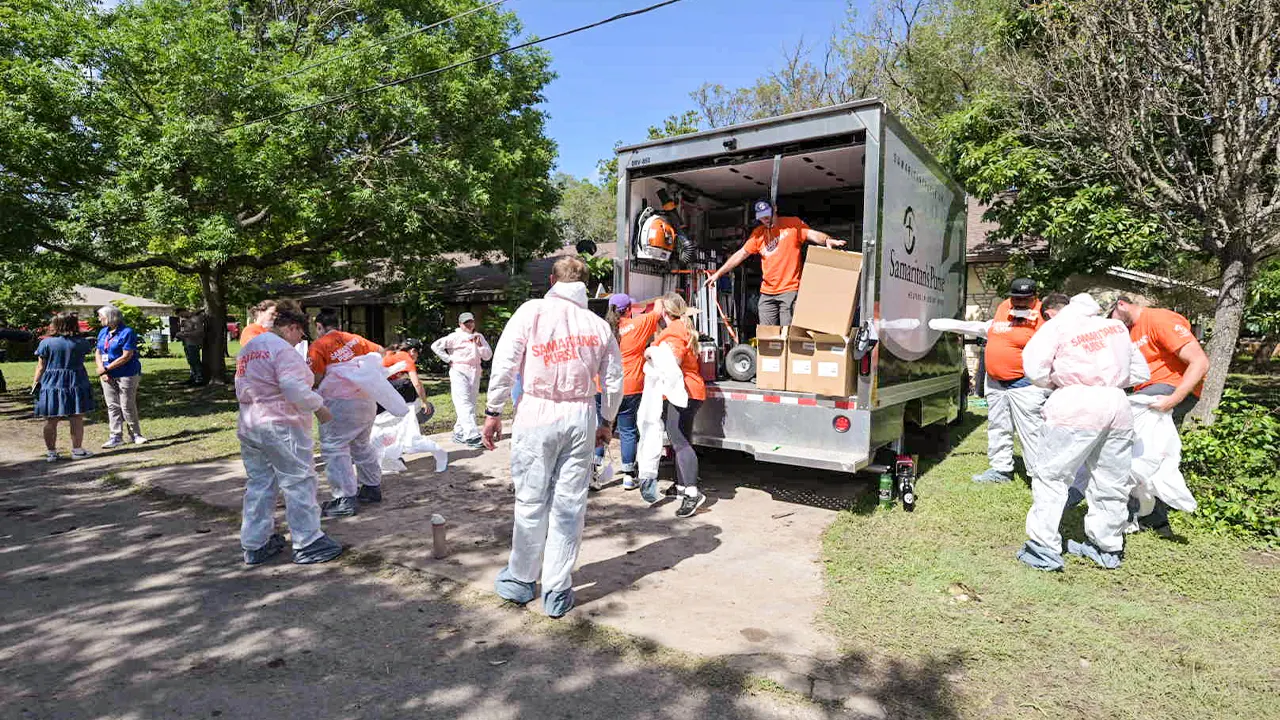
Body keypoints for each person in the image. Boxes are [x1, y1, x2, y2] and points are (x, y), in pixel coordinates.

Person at [481, 256, 623, 618]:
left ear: (551, 280)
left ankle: (522, 578)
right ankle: (557, 589)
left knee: (531, 499)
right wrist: (606, 420)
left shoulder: (532, 312)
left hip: (538, 411)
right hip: (580, 414)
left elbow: (505, 361)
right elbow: (613, 380)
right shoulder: (598, 325)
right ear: (586, 285)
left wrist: (494, 410)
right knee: (569, 505)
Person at [1018, 293, 1150, 571]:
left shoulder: (1057, 326)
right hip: (1117, 404)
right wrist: (1111, 380)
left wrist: (1057, 381)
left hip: (1074, 404)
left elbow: (1033, 367)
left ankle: (1043, 548)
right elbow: (1141, 372)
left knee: (1052, 476)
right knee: (1110, 479)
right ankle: (1106, 546)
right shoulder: (1115, 328)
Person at [235, 306, 344, 565]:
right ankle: (308, 541)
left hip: (251, 422)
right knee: (298, 481)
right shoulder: (282, 348)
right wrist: (318, 406)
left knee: (260, 484)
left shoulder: (249, 349)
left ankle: (255, 543)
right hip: (282, 424)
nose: (301, 341)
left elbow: (241, 385)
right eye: (300, 334)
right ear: (291, 327)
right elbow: (292, 385)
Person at [1110, 296, 1210, 534]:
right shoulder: (1130, 331)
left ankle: (1129, 511)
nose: (1112, 325)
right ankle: (1156, 519)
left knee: (1124, 444)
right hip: (1152, 393)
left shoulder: (1159, 320)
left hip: (1170, 391)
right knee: (1152, 452)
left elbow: (1200, 362)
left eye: (1110, 317)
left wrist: (1173, 400)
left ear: (1121, 305)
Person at [703, 199, 845, 328]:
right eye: (761, 217)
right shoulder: (758, 234)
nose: (765, 220)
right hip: (767, 293)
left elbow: (811, 234)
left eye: (767, 215)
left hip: (789, 290)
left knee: (787, 334)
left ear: (775, 209)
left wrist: (827, 240)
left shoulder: (791, 224)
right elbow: (740, 254)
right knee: (767, 336)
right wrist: (718, 274)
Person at [972, 278, 1049, 484]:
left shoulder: (1043, 314)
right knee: (998, 426)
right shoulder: (1004, 307)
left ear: (1034, 297)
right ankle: (1001, 469)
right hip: (996, 382)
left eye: (1025, 299)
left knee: (1031, 431)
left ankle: (1038, 476)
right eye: (1016, 298)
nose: (1019, 303)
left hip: (1024, 383)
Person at [639, 293, 709, 518]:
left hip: (681, 393)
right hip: (692, 390)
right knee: (683, 439)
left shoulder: (673, 332)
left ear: (665, 313)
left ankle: (691, 492)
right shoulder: (683, 327)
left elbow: (672, 362)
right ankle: (681, 486)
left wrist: (650, 353)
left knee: (678, 441)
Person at [309, 308, 384, 515]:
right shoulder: (355, 339)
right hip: (366, 400)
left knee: (335, 448)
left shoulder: (319, 345)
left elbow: (315, 378)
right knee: (361, 444)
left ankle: (344, 499)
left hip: (339, 403)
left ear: (319, 326)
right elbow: (381, 352)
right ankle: (371, 487)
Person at [598, 294, 661, 491]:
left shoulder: (601, 329)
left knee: (602, 427)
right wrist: (648, 301)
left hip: (603, 386)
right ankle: (628, 476)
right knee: (628, 431)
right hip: (629, 387)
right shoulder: (639, 324)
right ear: (628, 309)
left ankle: (593, 470)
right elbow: (659, 308)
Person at [32, 313, 96, 462]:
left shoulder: (46, 343)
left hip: (51, 383)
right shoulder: (82, 342)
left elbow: (41, 367)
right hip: (76, 380)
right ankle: (77, 450)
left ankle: (51, 453)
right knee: (76, 417)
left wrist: (35, 383)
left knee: (51, 419)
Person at [432, 312, 493, 449]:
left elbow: (488, 356)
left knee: (471, 403)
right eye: (466, 323)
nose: (469, 325)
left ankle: (459, 432)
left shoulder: (479, 337)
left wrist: (480, 346)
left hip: (475, 371)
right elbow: (435, 346)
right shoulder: (454, 337)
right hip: (459, 371)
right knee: (463, 403)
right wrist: (448, 359)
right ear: (460, 324)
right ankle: (472, 435)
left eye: (471, 322)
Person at [95, 304, 147, 447]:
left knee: (127, 405)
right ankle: (115, 437)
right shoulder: (103, 332)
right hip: (107, 375)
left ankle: (136, 435)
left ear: (111, 317)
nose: (99, 319)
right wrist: (101, 369)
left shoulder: (127, 332)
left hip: (127, 374)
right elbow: (98, 352)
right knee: (112, 405)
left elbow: (127, 356)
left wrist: (106, 368)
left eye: (101, 316)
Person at [382, 339, 435, 421]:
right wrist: (424, 402)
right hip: (381, 389)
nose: (417, 357)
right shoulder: (406, 357)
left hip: (374, 388)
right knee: (410, 386)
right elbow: (416, 384)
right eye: (418, 354)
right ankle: (410, 418)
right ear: (413, 351)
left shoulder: (392, 353)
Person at [177, 308, 207, 387]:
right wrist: (181, 333)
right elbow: (187, 330)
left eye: (182, 315)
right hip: (187, 343)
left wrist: (185, 334)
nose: (182, 317)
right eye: (180, 316)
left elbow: (200, 331)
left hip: (194, 343)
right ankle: (193, 377)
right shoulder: (187, 320)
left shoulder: (195, 319)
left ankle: (199, 379)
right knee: (190, 361)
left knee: (195, 361)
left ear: (185, 311)